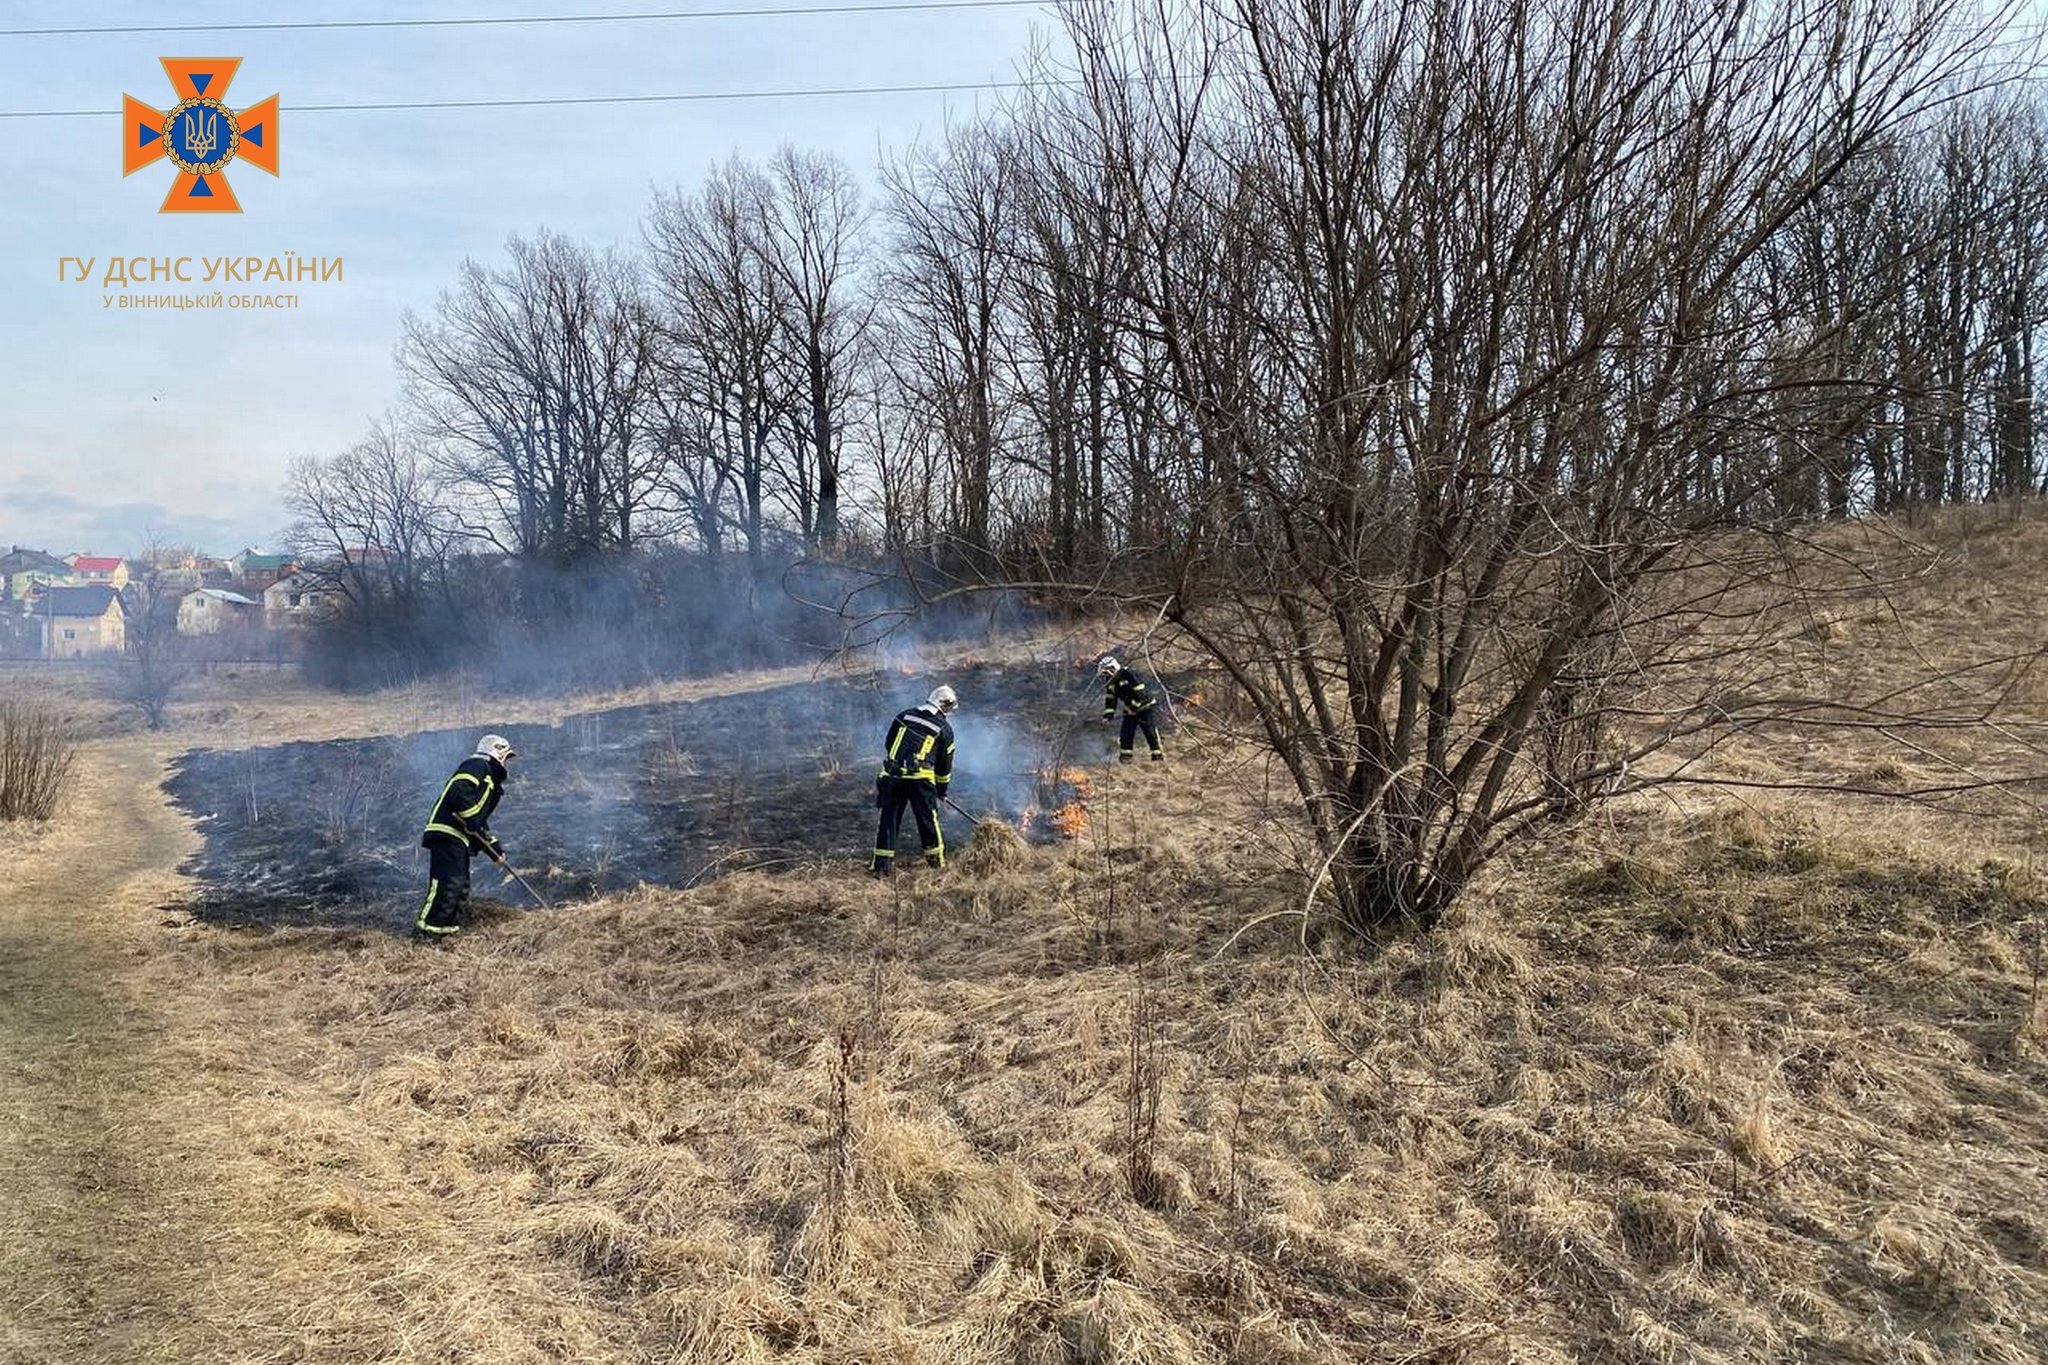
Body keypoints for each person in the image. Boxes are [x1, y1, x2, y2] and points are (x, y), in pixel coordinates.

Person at [416, 733, 516, 938]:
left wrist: (494, 850)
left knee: (459, 886)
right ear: (497, 752)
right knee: (447, 883)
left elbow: (478, 822)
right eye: (506, 757)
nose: (507, 763)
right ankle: (426, 934)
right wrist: (473, 821)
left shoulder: (491, 782)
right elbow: (459, 793)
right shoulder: (477, 766)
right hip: (447, 832)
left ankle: (446, 933)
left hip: (459, 839)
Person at [871, 685, 957, 876]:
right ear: (947, 707)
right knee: (927, 822)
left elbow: (889, 743)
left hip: (891, 776)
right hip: (920, 780)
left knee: (888, 819)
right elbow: (944, 766)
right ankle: (937, 866)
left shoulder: (904, 715)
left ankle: (881, 867)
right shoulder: (944, 729)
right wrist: (942, 790)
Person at [1099, 656, 1165, 762]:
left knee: (1149, 732)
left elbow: (1140, 694)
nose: (1106, 675)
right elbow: (1110, 699)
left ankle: (1157, 756)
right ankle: (1125, 758)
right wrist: (1108, 716)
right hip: (1130, 708)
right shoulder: (1111, 682)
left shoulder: (1129, 675)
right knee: (1126, 733)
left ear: (1113, 668)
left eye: (1106, 672)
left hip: (1145, 706)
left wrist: (1133, 708)